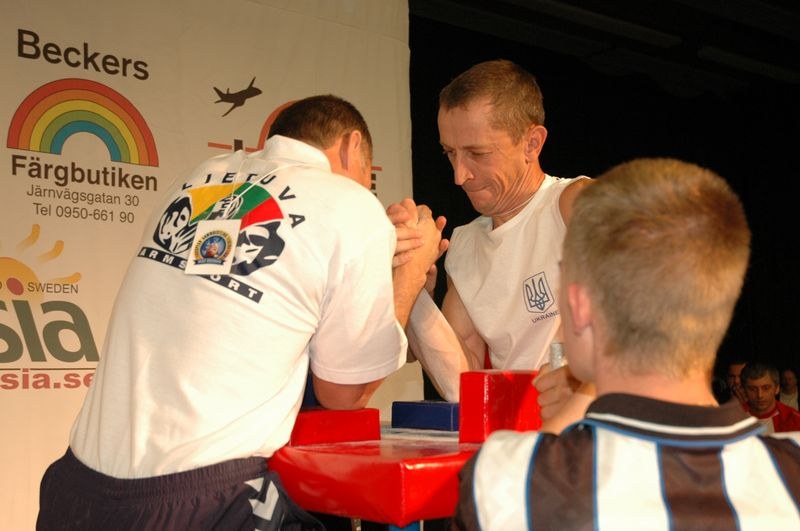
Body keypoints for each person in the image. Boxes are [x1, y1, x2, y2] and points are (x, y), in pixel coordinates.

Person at [36, 95, 444, 531]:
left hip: (76, 492)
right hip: (204, 499)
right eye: (367, 177)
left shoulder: (200, 176)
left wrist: (374, 262)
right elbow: (344, 395)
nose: (365, 189)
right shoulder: (350, 202)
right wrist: (412, 273)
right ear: (351, 145)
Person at [452, 158, 800, 530]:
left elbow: (519, 477)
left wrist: (587, 388)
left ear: (581, 308)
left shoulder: (508, 480)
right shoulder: (791, 470)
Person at [389, 59, 591, 412]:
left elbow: (671, 284)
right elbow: (462, 384)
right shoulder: (465, 244)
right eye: (450, 153)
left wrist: (593, 378)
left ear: (532, 143)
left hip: (599, 439)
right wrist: (412, 281)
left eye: (477, 154)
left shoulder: (572, 204)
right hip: (523, 440)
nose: (459, 175)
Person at [742, 361, 800, 432]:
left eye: (766, 388)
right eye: (752, 389)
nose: (760, 395)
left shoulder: (795, 419)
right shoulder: (732, 417)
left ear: (777, 388)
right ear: (744, 390)